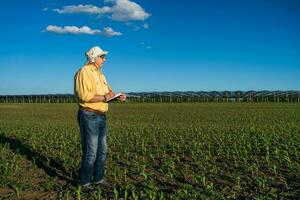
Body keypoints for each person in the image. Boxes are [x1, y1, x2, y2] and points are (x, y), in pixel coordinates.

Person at [74, 46, 126, 191]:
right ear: (94, 58)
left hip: (102, 115)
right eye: (102, 57)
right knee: (91, 152)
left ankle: (98, 178)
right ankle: (84, 182)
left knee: (102, 151)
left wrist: (117, 96)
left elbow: (108, 94)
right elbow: (84, 96)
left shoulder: (101, 75)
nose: (105, 59)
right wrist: (105, 97)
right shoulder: (84, 72)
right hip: (89, 115)